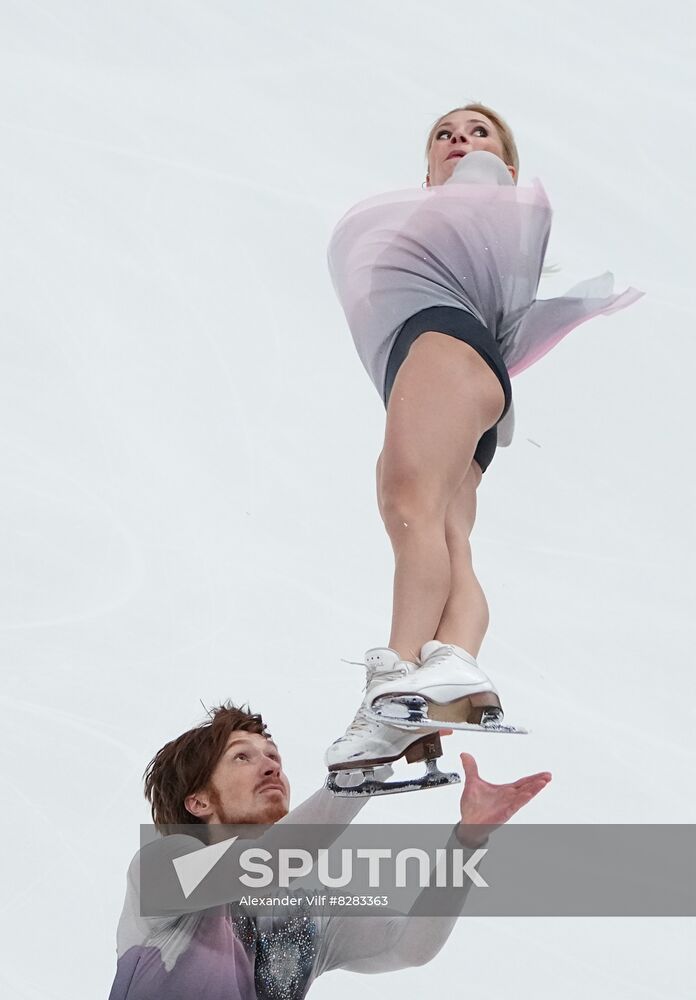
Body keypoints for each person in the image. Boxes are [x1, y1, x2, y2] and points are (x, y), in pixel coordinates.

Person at [325, 103, 643, 790]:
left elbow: (483, 178)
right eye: (444, 135)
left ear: (506, 165)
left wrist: (477, 170)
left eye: (479, 134)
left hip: (441, 347)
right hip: (463, 368)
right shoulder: (477, 244)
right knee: (438, 527)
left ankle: (398, 680)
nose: (461, 143)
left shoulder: (481, 199)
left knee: (409, 505)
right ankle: (446, 676)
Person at [108, 703, 551, 999]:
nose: (271, 765)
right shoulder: (160, 868)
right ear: (198, 801)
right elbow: (267, 863)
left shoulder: (303, 915)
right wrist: (356, 776)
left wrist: (469, 840)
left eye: (273, 755)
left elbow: (409, 945)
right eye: (241, 757)